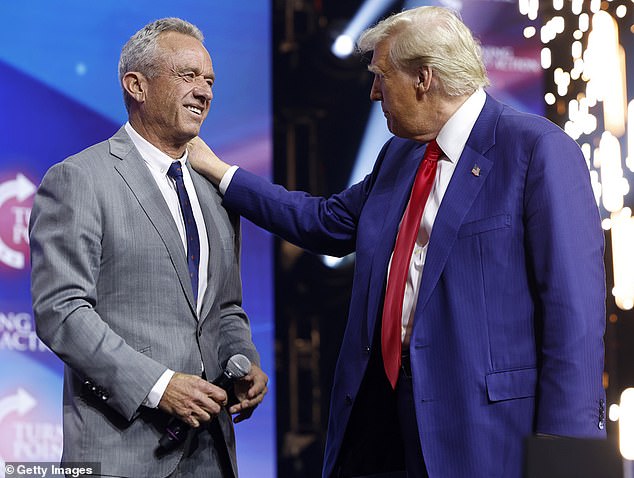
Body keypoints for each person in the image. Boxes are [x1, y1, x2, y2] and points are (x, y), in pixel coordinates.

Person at [188, 6, 607, 478]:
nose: (373, 92)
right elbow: (325, 223)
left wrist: (566, 455)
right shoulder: (400, 154)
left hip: (483, 431)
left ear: (423, 78)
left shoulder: (535, 150)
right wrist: (221, 172)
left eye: (381, 76)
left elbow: (574, 312)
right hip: (380, 418)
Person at [29, 18, 268, 478]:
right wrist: (159, 387)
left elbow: (226, 308)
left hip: (212, 453)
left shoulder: (215, 189)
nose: (204, 91)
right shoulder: (81, 179)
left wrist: (245, 361)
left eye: (210, 80)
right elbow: (61, 310)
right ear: (136, 85)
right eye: (188, 76)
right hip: (123, 450)